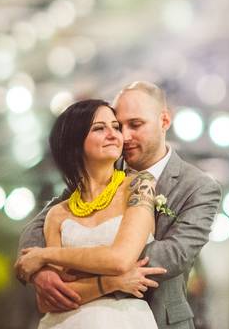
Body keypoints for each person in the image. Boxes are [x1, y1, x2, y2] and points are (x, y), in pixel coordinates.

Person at [17, 81, 223, 329]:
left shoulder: (198, 186)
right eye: (118, 124)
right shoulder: (100, 170)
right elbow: (40, 224)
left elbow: (173, 255)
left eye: (135, 125)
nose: (124, 136)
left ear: (164, 121)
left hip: (158, 318)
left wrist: (85, 266)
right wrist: (39, 271)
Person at [17, 98, 161, 328]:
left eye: (115, 127)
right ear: (75, 141)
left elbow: (120, 259)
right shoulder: (57, 214)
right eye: (99, 128)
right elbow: (50, 300)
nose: (114, 134)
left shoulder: (140, 185)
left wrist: (45, 254)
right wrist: (111, 283)